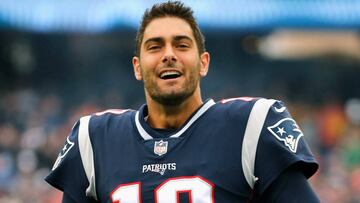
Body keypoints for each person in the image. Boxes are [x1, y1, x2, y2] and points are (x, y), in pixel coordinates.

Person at [45, 1, 320, 202]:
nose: (168, 55)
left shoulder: (252, 124)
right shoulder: (94, 138)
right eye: (155, 46)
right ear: (138, 67)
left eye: (181, 44)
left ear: (203, 63)